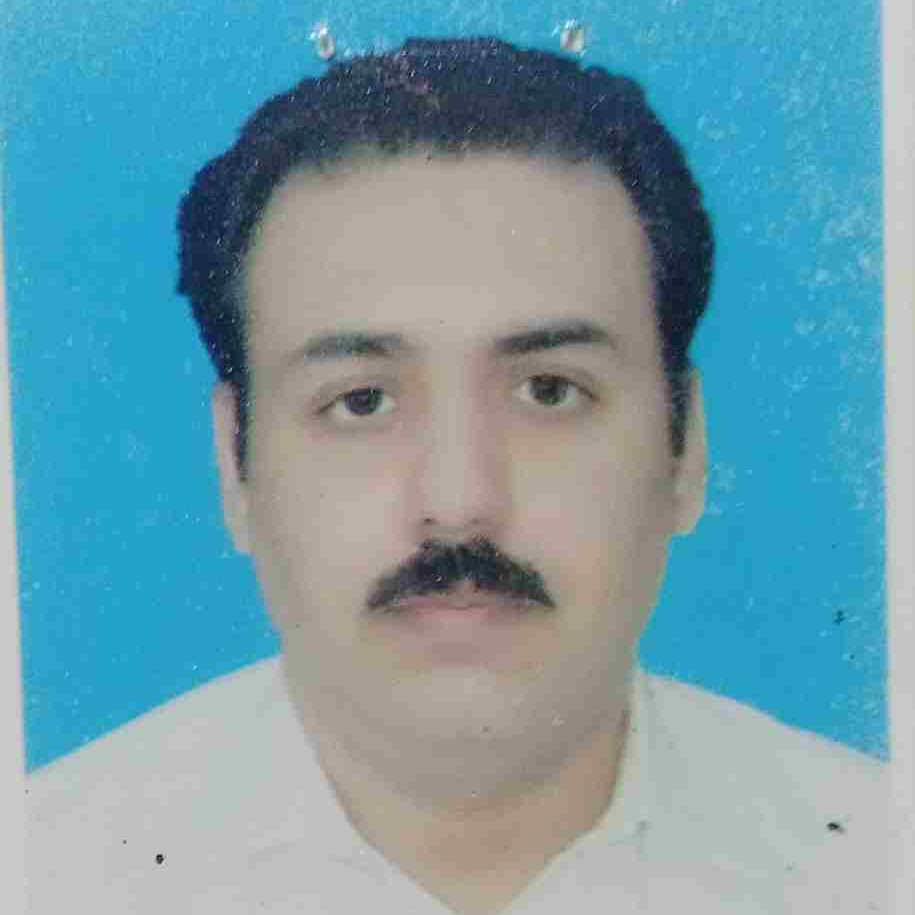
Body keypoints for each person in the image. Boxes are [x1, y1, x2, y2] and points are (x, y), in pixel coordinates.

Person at [25, 37, 886, 914]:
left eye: (549, 391)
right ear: (234, 466)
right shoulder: (42, 872)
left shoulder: (878, 861)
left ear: (686, 447)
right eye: (361, 401)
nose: (459, 502)